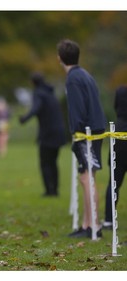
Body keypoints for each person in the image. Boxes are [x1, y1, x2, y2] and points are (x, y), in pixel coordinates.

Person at [57, 39, 106, 238]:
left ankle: (93, 226)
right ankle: (87, 223)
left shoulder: (73, 78)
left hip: (86, 132)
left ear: (59, 58)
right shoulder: (85, 74)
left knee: (87, 178)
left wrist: (76, 132)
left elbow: (77, 108)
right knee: (87, 177)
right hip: (94, 128)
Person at [19, 72, 67, 197]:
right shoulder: (51, 93)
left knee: (45, 162)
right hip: (59, 131)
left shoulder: (39, 93)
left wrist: (24, 118)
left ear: (33, 82)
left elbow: (36, 108)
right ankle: (55, 189)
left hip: (48, 133)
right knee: (53, 162)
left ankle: (49, 190)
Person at [102, 85, 127, 230]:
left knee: (114, 183)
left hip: (119, 135)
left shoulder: (120, 90)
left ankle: (108, 219)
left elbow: (116, 107)